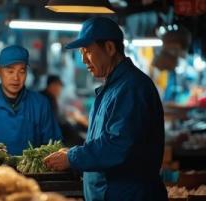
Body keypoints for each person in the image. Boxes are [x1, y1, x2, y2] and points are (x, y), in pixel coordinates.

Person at [43, 17, 167, 201]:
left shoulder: (131, 88)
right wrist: (72, 154)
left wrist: (73, 157)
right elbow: (103, 142)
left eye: (87, 51)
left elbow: (117, 145)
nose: (84, 59)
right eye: (81, 52)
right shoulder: (113, 88)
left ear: (109, 48)